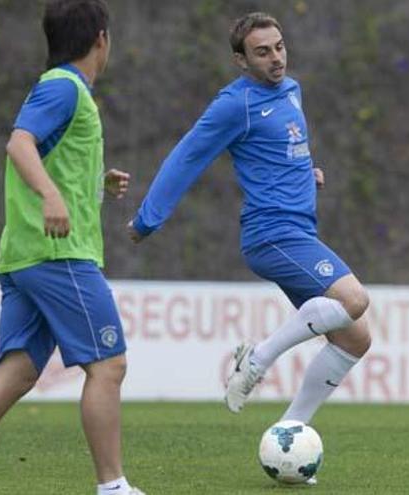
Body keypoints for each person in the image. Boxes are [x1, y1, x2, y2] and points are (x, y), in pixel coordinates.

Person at [128, 13, 371, 431]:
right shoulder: (233, 104)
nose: (276, 58)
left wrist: (307, 173)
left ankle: (288, 434)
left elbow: (281, 149)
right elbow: (187, 156)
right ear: (241, 61)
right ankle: (256, 359)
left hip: (299, 232)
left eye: (279, 47)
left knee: (355, 338)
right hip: (271, 235)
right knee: (354, 300)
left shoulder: (292, 91)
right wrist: (148, 218)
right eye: (262, 52)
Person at [0, 1, 144, 494]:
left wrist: (91, 180)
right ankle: (113, 487)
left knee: (16, 374)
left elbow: (44, 154)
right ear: (101, 38)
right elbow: (20, 144)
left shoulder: (66, 90)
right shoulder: (64, 87)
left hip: (26, 256)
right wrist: (52, 194)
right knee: (108, 364)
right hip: (58, 255)